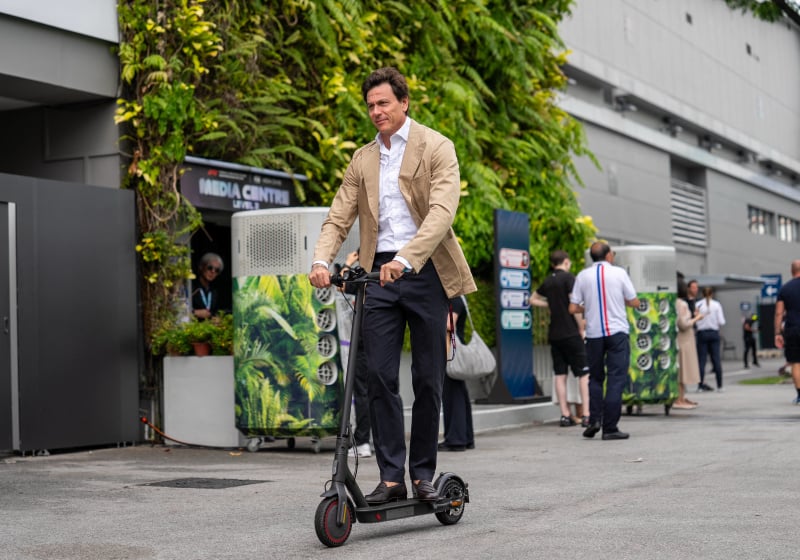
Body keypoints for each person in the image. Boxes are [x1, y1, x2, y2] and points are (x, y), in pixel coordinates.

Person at [308, 67, 476, 504]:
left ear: (404, 102)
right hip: (376, 276)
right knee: (380, 377)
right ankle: (390, 478)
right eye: (370, 105)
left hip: (425, 272)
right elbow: (339, 215)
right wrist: (321, 259)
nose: (376, 111)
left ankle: (422, 473)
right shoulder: (362, 158)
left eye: (383, 103)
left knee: (428, 378)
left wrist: (406, 259)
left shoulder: (437, 147)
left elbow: (442, 212)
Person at [569, 242, 639, 440]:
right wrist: (622, 301)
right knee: (616, 379)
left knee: (596, 378)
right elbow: (634, 301)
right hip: (617, 333)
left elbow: (573, 308)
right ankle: (610, 427)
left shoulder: (582, 276)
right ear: (608, 255)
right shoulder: (619, 273)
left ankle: (594, 421)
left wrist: (590, 307)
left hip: (594, 335)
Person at [531, 250, 590, 428]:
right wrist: (582, 327)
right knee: (583, 373)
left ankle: (565, 415)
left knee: (560, 374)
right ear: (565, 262)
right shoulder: (569, 279)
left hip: (554, 335)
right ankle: (587, 414)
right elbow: (574, 305)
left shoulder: (548, 281)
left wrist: (549, 304)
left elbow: (532, 299)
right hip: (571, 332)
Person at [335, 249, 372, 459]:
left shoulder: (364, 276)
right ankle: (370, 439)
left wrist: (348, 262)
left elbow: (342, 283)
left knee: (362, 391)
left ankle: (364, 441)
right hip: (377, 342)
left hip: (363, 345)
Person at [439, 296, 476, 452]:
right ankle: (466, 438)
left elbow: (449, 324)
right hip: (455, 350)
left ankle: (456, 439)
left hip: (452, 352)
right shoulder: (460, 299)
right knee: (459, 394)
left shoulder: (454, 299)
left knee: (452, 394)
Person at [673, 278, 703, 409]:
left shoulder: (675, 302)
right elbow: (684, 324)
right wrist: (697, 318)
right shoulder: (682, 304)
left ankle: (682, 397)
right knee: (683, 370)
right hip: (684, 340)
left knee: (682, 370)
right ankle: (679, 399)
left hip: (682, 340)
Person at [774, 260, 800, 405]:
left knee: (796, 363)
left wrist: (777, 333)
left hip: (793, 329)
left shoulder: (785, 289)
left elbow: (779, 313)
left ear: (792, 271)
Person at [695, 286, 726, 392]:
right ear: (712, 294)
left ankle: (700, 385)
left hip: (702, 333)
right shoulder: (716, 305)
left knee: (702, 360)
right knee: (716, 359)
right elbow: (722, 321)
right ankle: (720, 385)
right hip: (713, 332)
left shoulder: (698, 305)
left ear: (702, 294)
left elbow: (695, 319)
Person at [191, 253, 224, 320]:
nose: (213, 272)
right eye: (210, 268)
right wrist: (194, 312)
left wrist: (215, 317)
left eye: (217, 270)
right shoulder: (192, 287)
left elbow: (217, 311)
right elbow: (179, 309)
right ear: (201, 267)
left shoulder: (215, 291)